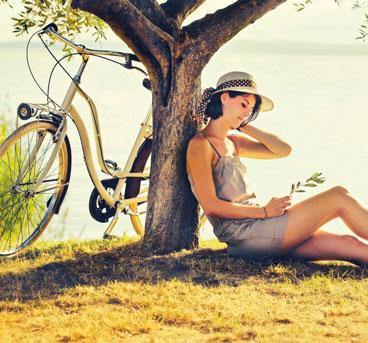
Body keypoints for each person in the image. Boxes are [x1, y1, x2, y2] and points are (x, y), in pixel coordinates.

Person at [186, 71, 368, 265]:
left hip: (261, 229)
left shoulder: (233, 143)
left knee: (352, 245)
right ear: (224, 98)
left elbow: (283, 150)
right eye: (243, 104)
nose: (248, 112)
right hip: (246, 234)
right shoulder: (201, 145)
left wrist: (242, 124)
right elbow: (212, 206)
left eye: (252, 109)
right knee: (338, 196)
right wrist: (265, 212)